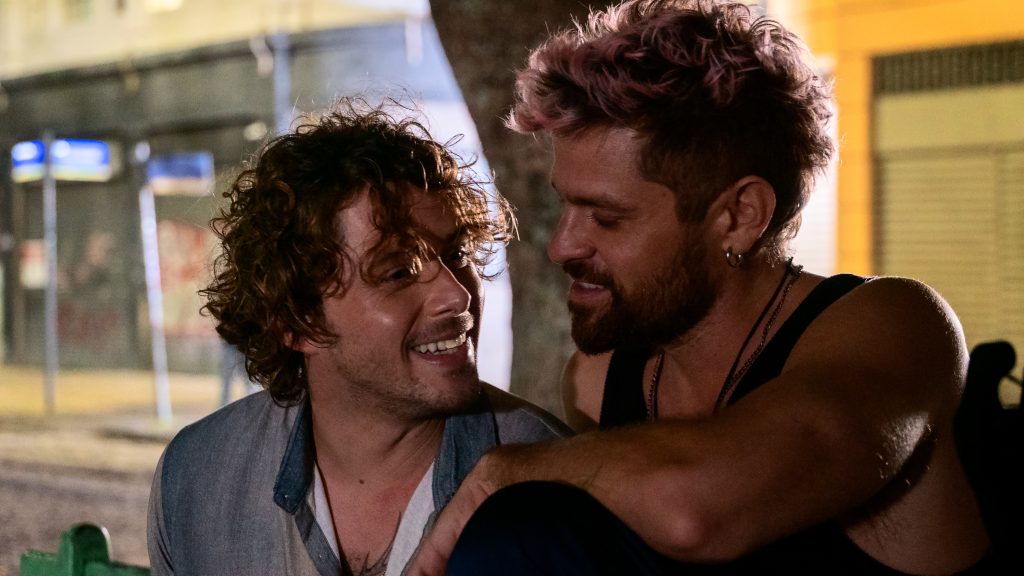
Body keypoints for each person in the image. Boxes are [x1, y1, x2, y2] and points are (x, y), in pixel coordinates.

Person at [407, 1, 992, 574]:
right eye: (565, 205)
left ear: (740, 216)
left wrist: (506, 473)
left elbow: (696, 508)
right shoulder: (599, 381)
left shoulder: (893, 325)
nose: (562, 247)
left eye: (607, 218)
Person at [146, 99, 570, 576]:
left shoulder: (551, 483)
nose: (457, 296)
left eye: (457, 255)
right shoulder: (197, 479)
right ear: (297, 322)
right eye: (399, 272)